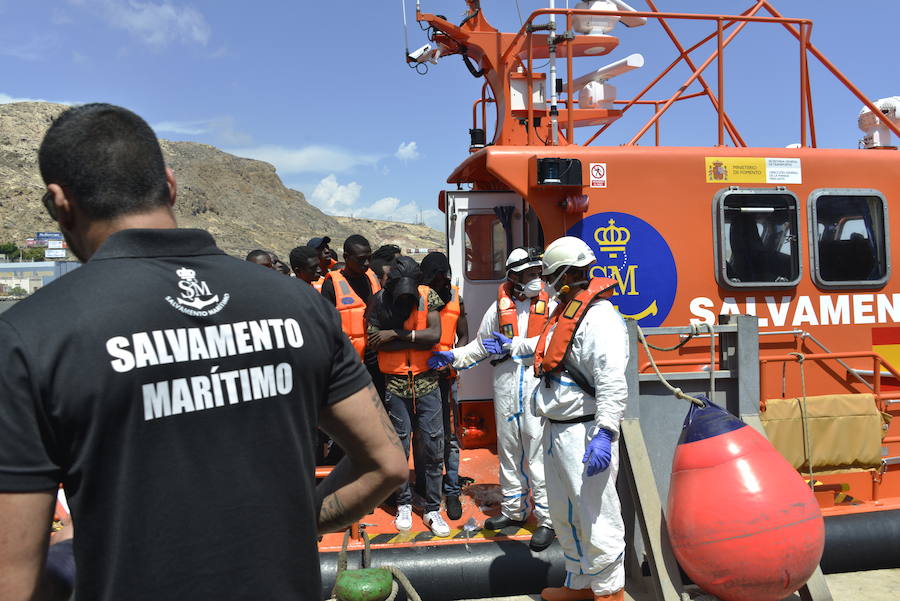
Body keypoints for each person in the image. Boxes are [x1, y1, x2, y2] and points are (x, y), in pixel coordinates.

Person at [0, 103, 407, 601]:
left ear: (60, 204)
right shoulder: (298, 306)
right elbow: (386, 464)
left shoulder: (28, 337)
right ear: (169, 186)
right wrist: (292, 526)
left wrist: (70, 555)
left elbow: (11, 583)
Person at [502, 237, 626, 601]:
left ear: (571, 273)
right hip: (556, 430)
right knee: (565, 514)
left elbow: (611, 382)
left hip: (586, 432)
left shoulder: (601, 319)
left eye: (553, 276)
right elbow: (544, 347)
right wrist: (508, 346)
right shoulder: (568, 312)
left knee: (596, 516)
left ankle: (610, 593)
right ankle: (581, 586)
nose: (548, 283)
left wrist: (605, 433)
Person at [429, 247, 556, 551]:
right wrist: (452, 356)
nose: (536, 279)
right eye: (528, 274)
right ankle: (514, 511)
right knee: (509, 451)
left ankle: (548, 519)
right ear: (513, 277)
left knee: (538, 455)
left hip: (537, 383)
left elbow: (552, 341)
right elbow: (479, 347)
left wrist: (514, 344)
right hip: (505, 384)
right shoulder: (497, 309)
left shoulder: (552, 306)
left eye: (538, 272)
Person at [367, 256, 450, 537]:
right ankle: (403, 502)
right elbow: (376, 344)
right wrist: (406, 337)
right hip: (396, 385)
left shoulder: (430, 297)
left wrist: (395, 334)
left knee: (433, 446)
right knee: (399, 448)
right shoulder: (378, 301)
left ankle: (432, 508)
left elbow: (434, 335)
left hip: (427, 383)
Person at [418, 251, 469, 520]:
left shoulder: (456, 297)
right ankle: (428, 489)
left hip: (447, 376)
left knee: (450, 436)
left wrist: (453, 358)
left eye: (438, 279)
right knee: (426, 436)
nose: (434, 284)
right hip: (421, 376)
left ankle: (451, 490)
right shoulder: (421, 296)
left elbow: (465, 335)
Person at [321, 235, 384, 401]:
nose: (367, 264)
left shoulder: (372, 278)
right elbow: (326, 328)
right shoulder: (331, 285)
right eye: (361, 259)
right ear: (346, 257)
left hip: (377, 360)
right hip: (350, 364)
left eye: (369, 258)